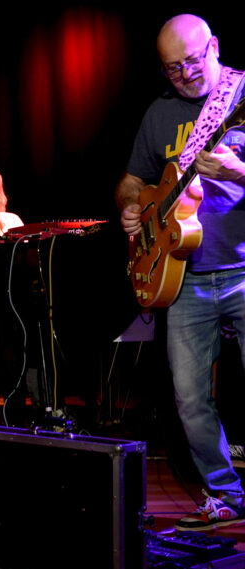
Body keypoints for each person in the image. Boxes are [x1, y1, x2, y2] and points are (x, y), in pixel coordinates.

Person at [117, 14, 245, 530]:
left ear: (214, 46)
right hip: (184, 277)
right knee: (190, 398)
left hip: (242, 269)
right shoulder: (160, 112)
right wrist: (131, 207)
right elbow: (133, 180)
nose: (185, 74)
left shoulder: (239, 97)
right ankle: (224, 493)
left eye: (192, 61)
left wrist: (239, 171)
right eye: (173, 68)